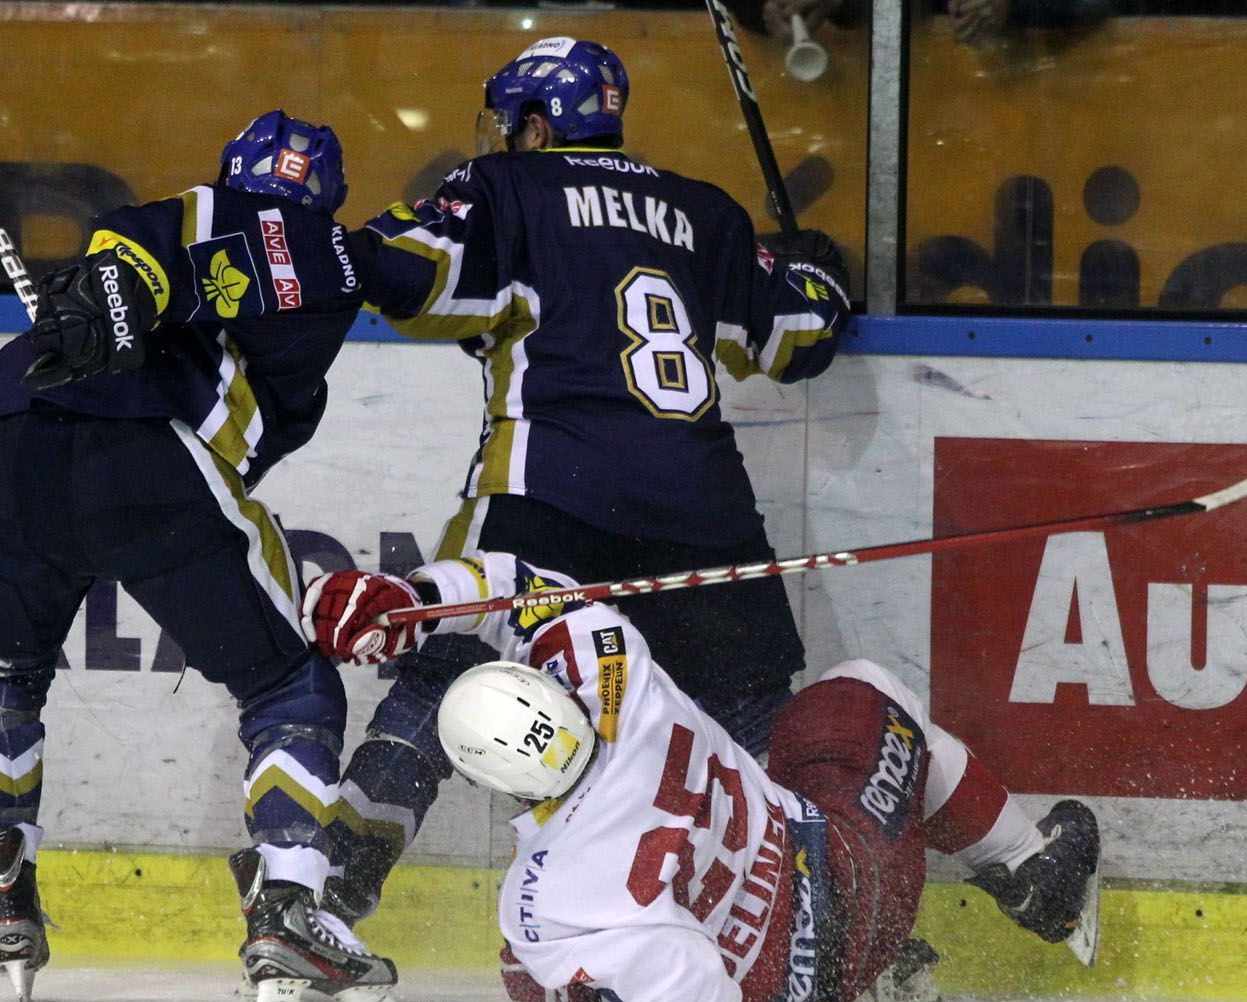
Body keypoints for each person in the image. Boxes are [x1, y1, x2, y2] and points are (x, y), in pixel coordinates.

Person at [323, 35, 853, 928]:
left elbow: (403, 269)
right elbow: (803, 338)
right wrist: (815, 268)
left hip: (552, 493)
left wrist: (318, 244)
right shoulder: (706, 211)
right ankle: (839, 923)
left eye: (511, 124)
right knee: (752, 724)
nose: (504, 137)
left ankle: (332, 883)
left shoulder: (505, 188)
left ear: (538, 124)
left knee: (449, 668)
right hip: (704, 509)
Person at [0, 110, 397, 1002]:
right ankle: (288, 910)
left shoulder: (238, 229)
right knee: (290, 686)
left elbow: (160, 242)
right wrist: (115, 289)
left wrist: (109, 291)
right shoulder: (324, 260)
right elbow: (166, 243)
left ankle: (2, 872)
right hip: (143, 456)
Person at [302, 554, 1102, 1002]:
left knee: (535, 973)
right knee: (858, 688)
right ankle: (1035, 873)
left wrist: (581, 986)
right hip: (859, 874)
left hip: (820, 980)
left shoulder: (544, 901)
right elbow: (521, 588)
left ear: (486, 781)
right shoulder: (613, 667)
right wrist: (416, 600)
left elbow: (703, 1000)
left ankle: (891, 962)